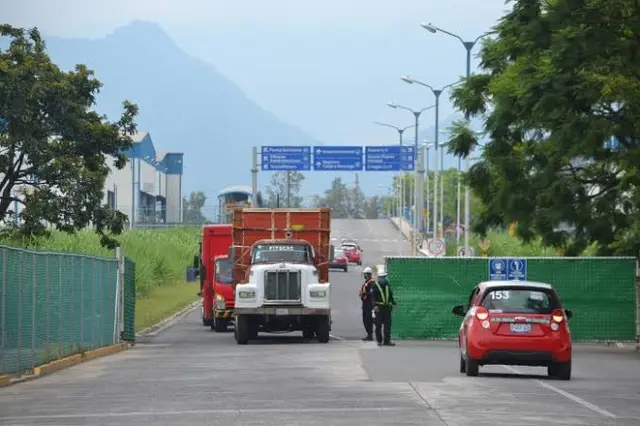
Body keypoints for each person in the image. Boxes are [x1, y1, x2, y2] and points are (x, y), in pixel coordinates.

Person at [370, 267, 397, 346]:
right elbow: (372, 297)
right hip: (379, 308)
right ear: (379, 278)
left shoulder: (387, 285)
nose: (384, 279)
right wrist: (374, 305)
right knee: (378, 325)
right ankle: (379, 340)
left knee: (387, 325)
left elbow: (390, 295)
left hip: (387, 308)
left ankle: (387, 341)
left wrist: (394, 303)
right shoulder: (375, 286)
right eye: (382, 277)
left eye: (385, 277)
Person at [359, 267, 376, 341]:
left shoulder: (371, 282)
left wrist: (365, 293)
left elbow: (372, 293)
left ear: (368, 274)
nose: (364, 276)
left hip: (369, 305)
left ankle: (370, 335)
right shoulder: (367, 282)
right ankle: (369, 335)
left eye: (365, 274)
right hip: (365, 304)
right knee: (365, 320)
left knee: (368, 320)